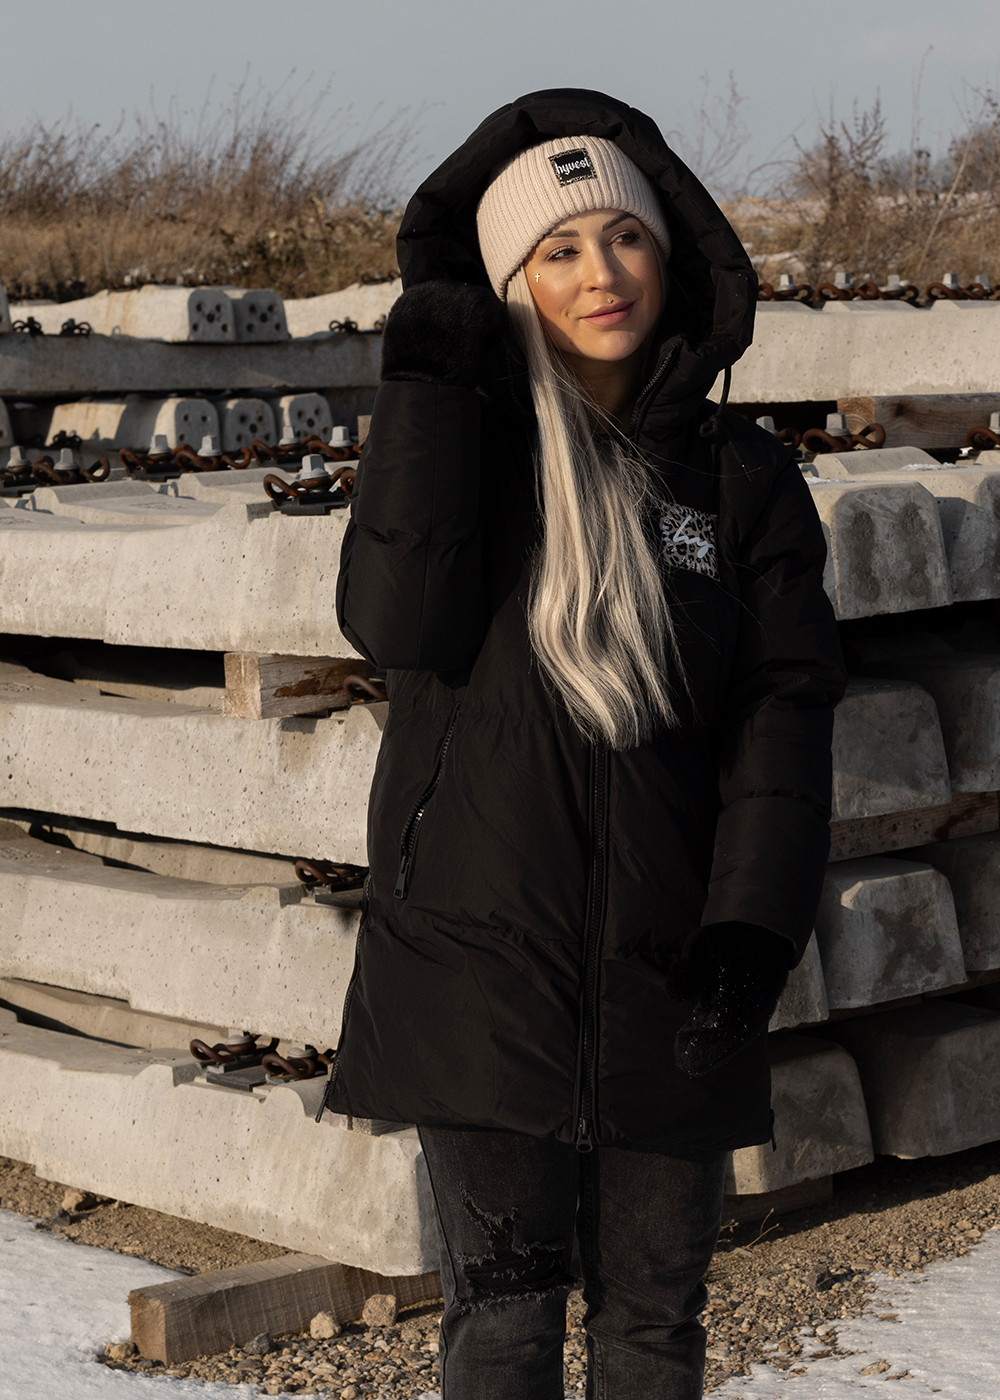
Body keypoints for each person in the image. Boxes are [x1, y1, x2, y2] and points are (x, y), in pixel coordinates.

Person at [324, 88, 846, 1400]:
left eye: (625, 236)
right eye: (557, 249)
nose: (601, 273)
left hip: (674, 980)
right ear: (510, 282)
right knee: (503, 1326)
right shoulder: (468, 452)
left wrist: (751, 935)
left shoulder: (740, 477)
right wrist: (425, 386)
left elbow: (781, 719)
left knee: (654, 1328)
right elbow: (395, 620)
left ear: (672, 255)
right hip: (478, 979)